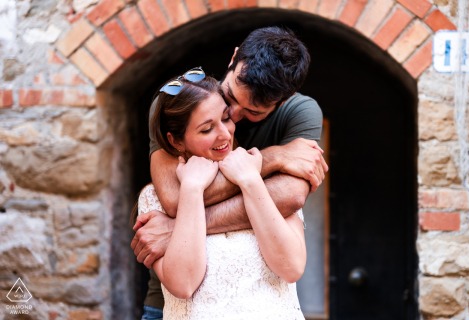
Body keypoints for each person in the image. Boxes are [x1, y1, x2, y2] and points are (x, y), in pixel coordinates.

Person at [132, 26, 328, 319]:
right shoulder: (179, 99)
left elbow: (289, 195)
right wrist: (273, 159)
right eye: (230, 97)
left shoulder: (301, 113)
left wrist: (176, 229)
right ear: (235, 58)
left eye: (252, 112)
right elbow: (172, 199)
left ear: (284, 98)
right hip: (172, 305)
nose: (233, 116)